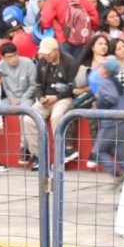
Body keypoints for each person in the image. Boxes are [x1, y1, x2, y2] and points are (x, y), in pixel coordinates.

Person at [24, 37, 80, 169]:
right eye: (44, 53)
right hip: (45, 98)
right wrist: (40, 97)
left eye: (48, 53)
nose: (46, 56)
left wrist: (57, 97)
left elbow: (72, 87)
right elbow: (37, 84)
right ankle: (37, 156)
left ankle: (60, 153)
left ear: (56, 51)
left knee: (56, 117)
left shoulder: (70, 62)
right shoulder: (42, 62)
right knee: (28, 119)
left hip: (63, 97)